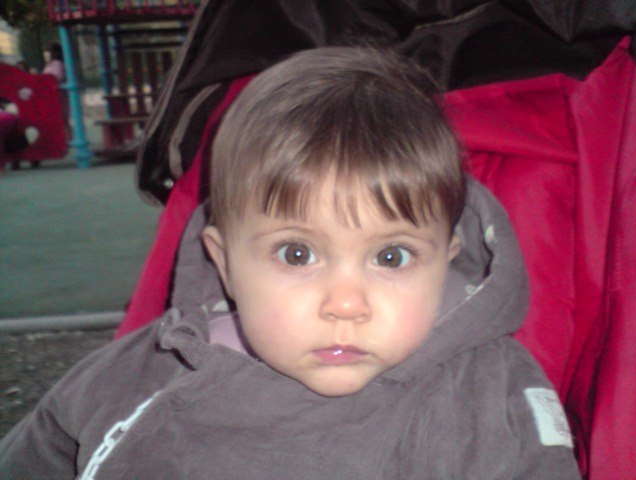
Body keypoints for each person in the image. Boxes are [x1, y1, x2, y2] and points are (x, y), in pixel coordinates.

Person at [0, 47, 581, 479]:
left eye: (391, 256)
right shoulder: (142, 372)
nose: (346, 305)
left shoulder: (489, 394)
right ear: (225, 263)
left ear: (446, 260)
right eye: (297, 253)